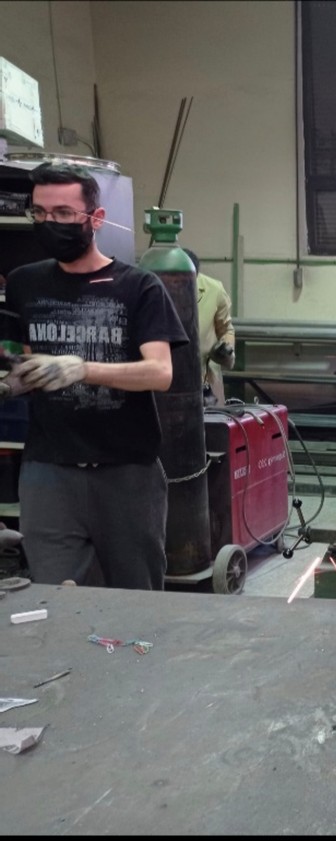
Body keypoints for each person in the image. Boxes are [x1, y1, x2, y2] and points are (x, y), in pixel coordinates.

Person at [5, 162, 188, 590]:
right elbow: (24, 364)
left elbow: (160, 372)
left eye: (63, 213)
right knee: (53, 596)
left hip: (126, 470)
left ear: (96, 218)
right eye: (40, 213)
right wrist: (11, 382)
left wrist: (83, 369)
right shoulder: (24, 283)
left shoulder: (139, 287)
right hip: (49, 469)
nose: (50, 223)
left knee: (135, 594)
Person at [183, 249, 235, 407]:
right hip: (169, 379)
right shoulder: (155, 289)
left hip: (206, 382)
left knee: (214, 421)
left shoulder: (214, 290)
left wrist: (226, 348)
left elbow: (226, 330)